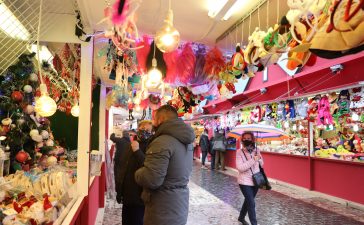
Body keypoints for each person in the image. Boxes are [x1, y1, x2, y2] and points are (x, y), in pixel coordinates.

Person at [135, 105, 195, 225]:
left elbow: (152, 179)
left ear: (160, 120)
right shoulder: (186, 141)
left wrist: (138, 173)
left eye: (154, 120)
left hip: (161, 207)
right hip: (179, 203)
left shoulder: (161, 142)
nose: (153, 123)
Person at [111, 121, 153, 225]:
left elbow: (149, 167)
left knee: (137, 221)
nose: (144, 131)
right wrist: (119, 190)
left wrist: (137, 151)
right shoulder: (129, 145)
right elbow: (122, 168)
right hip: (127, 195)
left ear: (152, 132)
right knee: (126, 221)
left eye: (147, 130)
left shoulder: (151, 147)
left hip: (140, 196)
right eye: (142, 128)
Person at [236, 132, 263, 225]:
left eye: (249, 138)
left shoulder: (257, 150)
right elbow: (240, 168)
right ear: (242, 140)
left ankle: (241, 217)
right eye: (245, 138)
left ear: (252, 140)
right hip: (244, 181)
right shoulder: (239, 152)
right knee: (251, 203)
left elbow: (262, 164)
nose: (247, 140)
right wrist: (253, 160)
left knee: (248, 200)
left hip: (256, 180)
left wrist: (259, 159)